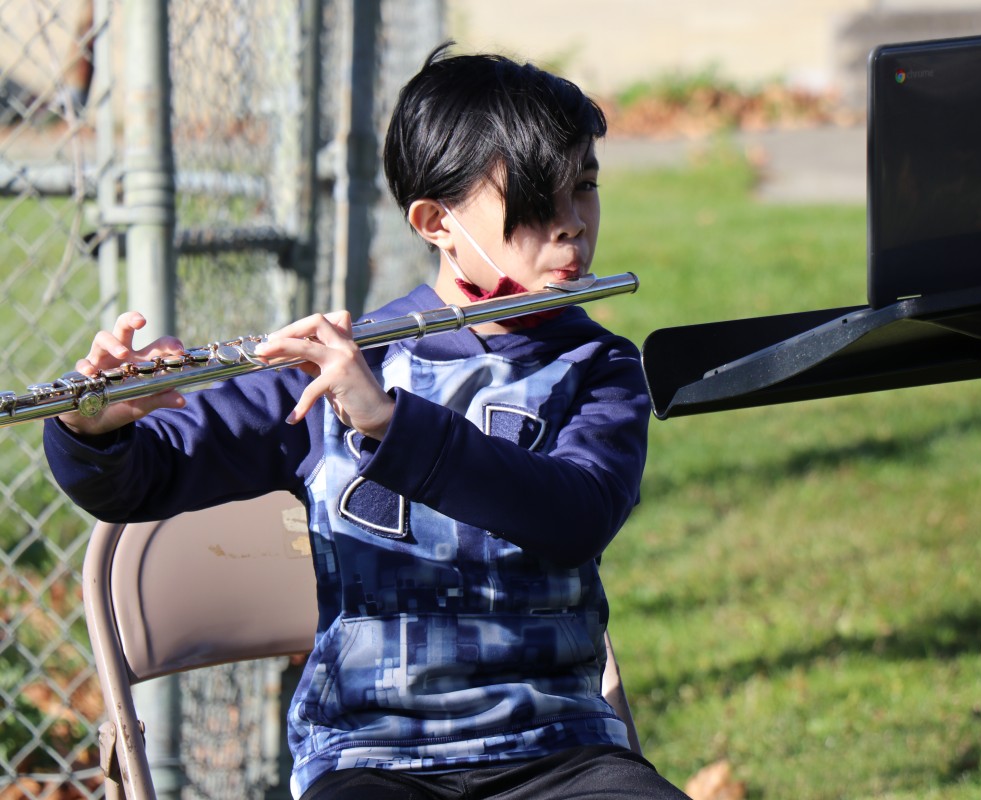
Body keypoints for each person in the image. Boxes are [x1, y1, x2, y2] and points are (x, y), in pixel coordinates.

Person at [44, 44, 688, 800]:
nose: (574, 225)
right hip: (371, 757)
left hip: (559, 749)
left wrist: (389, 424)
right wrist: (96, 427)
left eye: (585, 187)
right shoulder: (338, 367)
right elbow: (141, 481)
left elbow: (574, 515)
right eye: (541, 199)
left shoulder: (598, 368)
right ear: (436, 221)